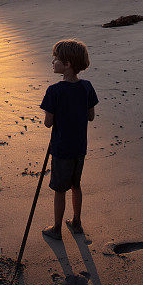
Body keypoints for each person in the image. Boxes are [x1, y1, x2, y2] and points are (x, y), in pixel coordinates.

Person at [40, 39, 98, 240]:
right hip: (79, 147)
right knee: (76, 185)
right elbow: (90, 116)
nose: (53, 61)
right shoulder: (87, 87)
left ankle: (56, 228)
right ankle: (76, 222)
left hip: (62, 148)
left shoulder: (54, 91)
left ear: (68, 65)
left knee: (59, 189)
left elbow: (48, 123)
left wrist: (55, 113)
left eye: (56, 59)